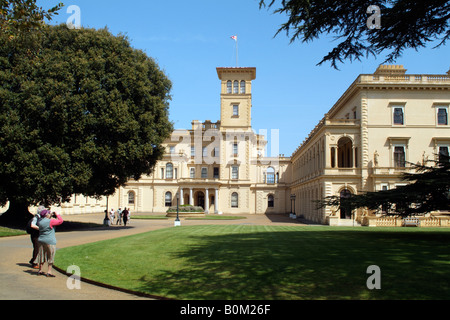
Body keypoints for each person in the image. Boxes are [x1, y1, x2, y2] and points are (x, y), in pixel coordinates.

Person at [36, 210, 63, 277]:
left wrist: (52, 216)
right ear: (46, 215)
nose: (50, 214)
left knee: (41, 255)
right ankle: (49, 271)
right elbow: (60, 221)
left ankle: (40, 270)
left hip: (41, 240)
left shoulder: (40, 222)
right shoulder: (50, 221)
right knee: (50, 255)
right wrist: (58, 214)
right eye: (49, 213)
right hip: (49, 241)